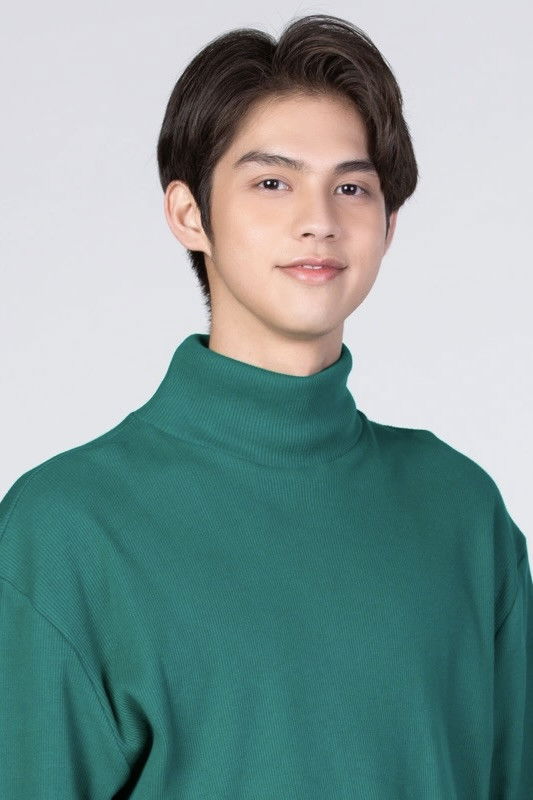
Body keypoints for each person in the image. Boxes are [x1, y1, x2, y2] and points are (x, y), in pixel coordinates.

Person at [1, 13, 531, 799]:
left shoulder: (458, 508)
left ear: (387, 225)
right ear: (189, 214)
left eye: (350, 187)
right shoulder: (67, 528)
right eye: (272, 183)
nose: (318, 220)